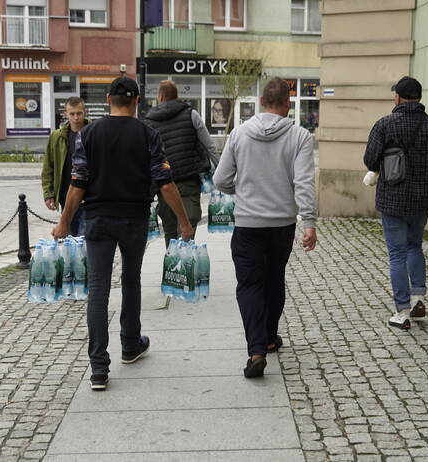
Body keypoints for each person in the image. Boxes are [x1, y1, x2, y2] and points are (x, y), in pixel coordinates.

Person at [52, 77, 195, 391]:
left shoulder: (88, 134)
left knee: (99, 288)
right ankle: (130, 344)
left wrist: (64, 222)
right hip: (134, 218)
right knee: (131, 279)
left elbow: (78, 184)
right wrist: (183, 222)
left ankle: (99, 368)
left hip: (99, 219)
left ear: (107, 99)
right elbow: (165, 183)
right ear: (137, 101)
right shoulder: (148, 134)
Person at [213, 78, 318, 378]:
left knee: (249, 285)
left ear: (260, 101)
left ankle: (256, 349)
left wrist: (241, 191)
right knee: (274, 279)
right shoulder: (300, 137)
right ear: (287, 104)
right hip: (281, 225)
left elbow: (221, 180)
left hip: (247, 223)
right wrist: (308, 223)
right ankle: (270, 337)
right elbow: (303, 183)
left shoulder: (239, 134)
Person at [363, 76, 428, 330]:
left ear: (398, 97)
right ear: (418, 98)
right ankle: (418, 298)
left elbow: (370, 159)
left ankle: (402, 311)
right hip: (421, 202)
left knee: (396, 254)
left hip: (392, 200)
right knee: (415, 247)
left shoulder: (384, 125)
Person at [143, 80, 217, 243]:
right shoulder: (191, 114)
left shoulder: (148, 122)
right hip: (189, 181)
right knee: (188, 232)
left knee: (170, 232)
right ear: (177, 97)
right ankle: (187, 265)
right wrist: (220, 173)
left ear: (160, 97)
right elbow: (210, 147)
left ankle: (173, 265)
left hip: (164, 186)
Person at [42, 97, 88, 236]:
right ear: (66, 114)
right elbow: (48, 168)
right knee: (71, 240)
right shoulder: (57, 136)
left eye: (79, 113)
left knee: (84, 240)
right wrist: (48, 194)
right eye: (72, 114)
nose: (76, 118)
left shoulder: (93, 132)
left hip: (89, 197)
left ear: (85, 112)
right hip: (66, 197)